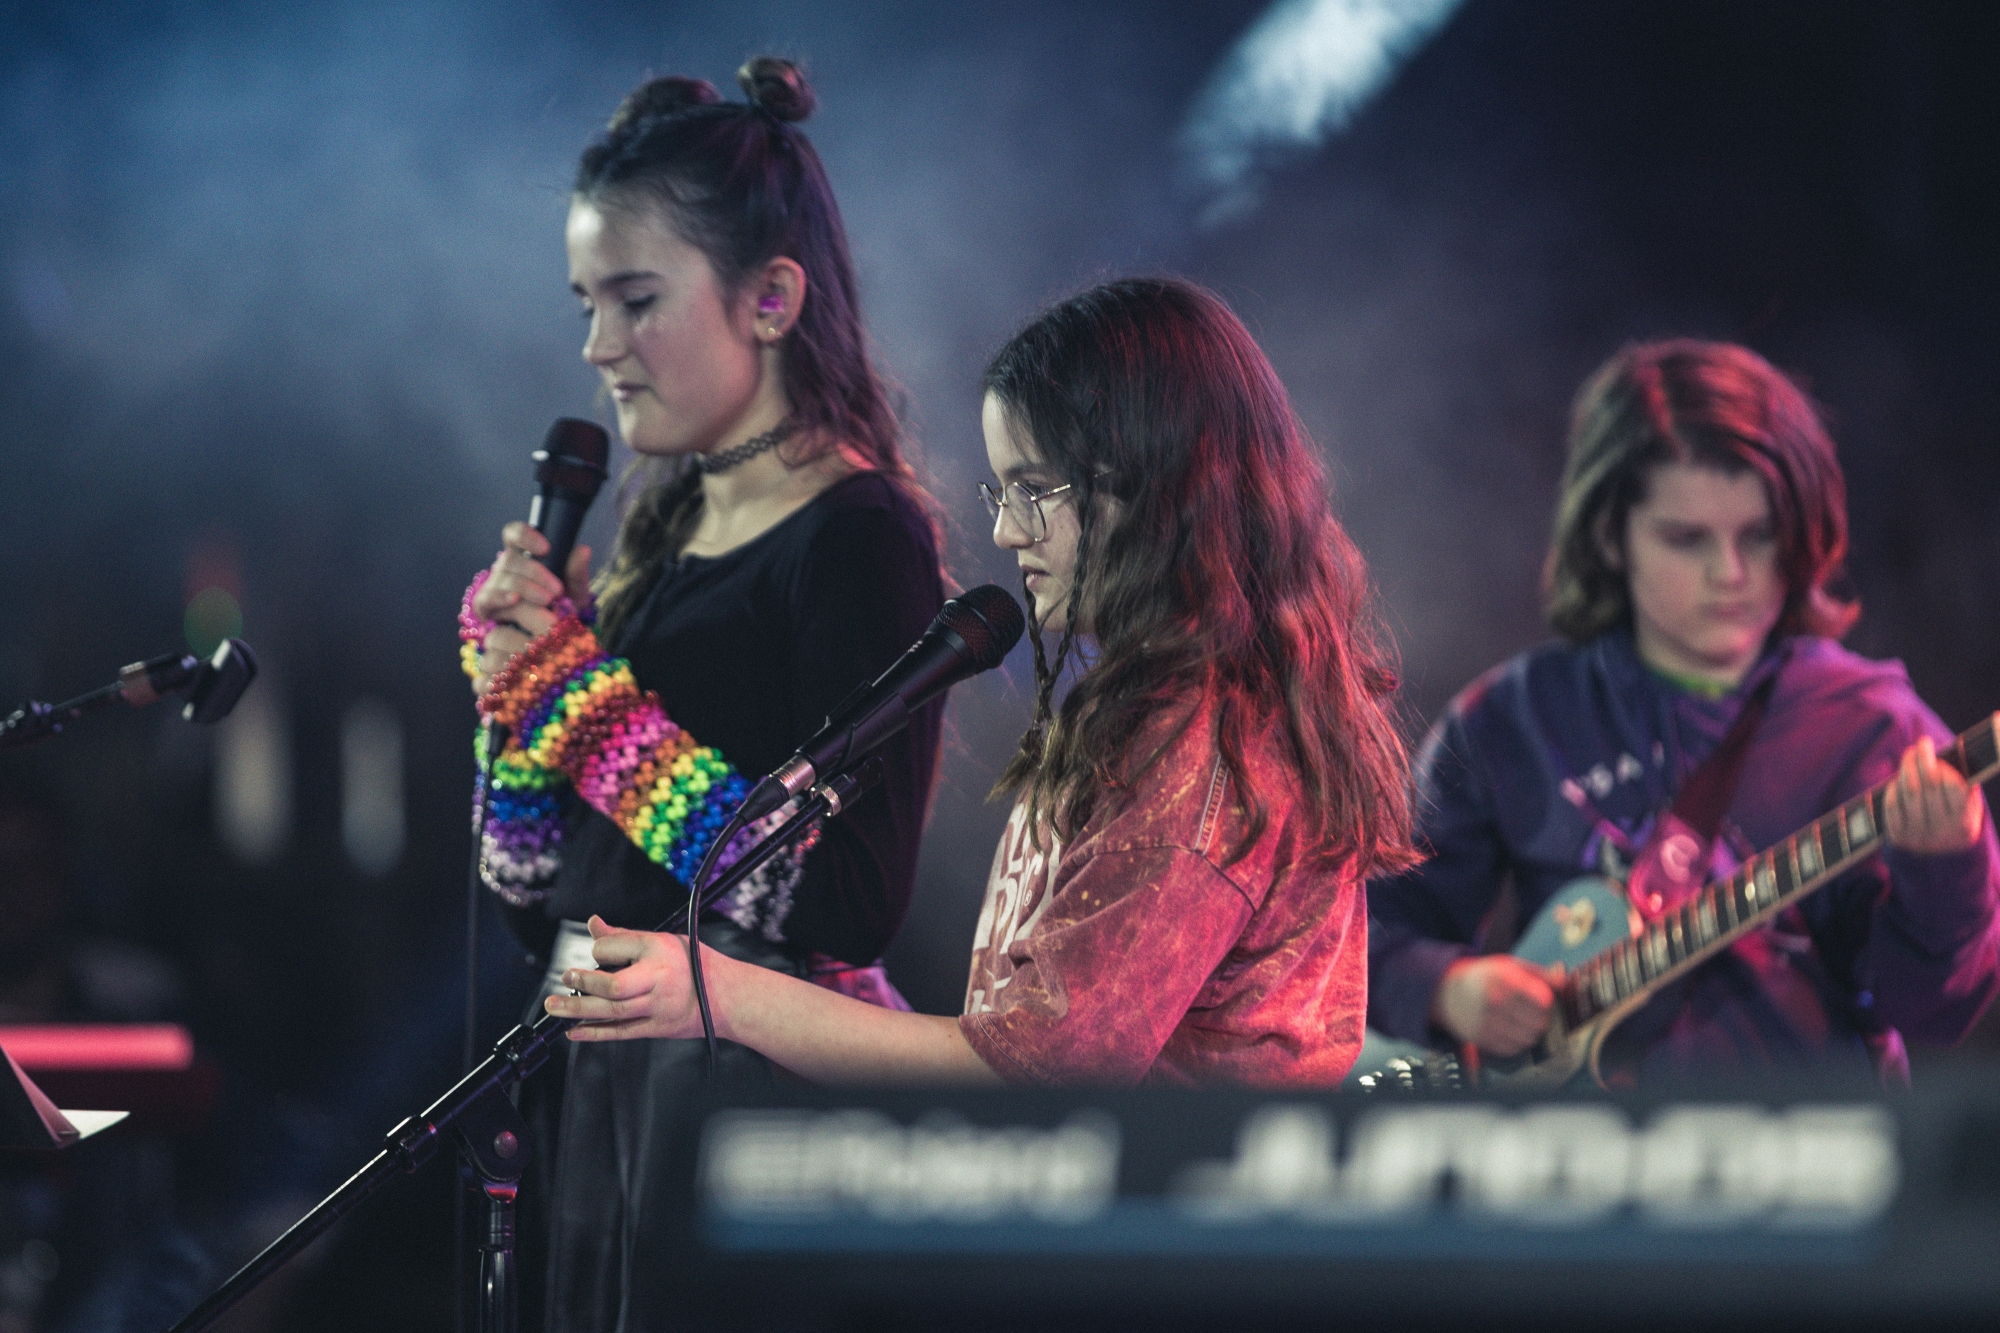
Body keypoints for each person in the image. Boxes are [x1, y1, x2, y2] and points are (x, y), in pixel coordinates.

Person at [546, 276, 1417, 1090]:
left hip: (1167, 1243)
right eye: (1001, 490)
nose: (1003, 530)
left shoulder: (1203, 743)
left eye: (1034, 490)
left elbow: (1042, 1070)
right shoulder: (1160, 713)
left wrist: (721, 996)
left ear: (1156, 487)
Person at [457, 57, 944, 1330]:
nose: (596, 348)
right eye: (584, 304)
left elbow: (845, 902)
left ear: (770, 298)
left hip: (739, 1099)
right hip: (591, 1064)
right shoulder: (656, 534)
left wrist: (581, 705)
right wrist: (520, 708)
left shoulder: (859, 537)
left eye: (634, 301)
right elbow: (532, 905)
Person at [1366, 338, 1999, 1084]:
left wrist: (1946, 869)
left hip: (1808, 1167)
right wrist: (1446, 987)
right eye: (1685, 538)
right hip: (1580, 1173)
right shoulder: (1511, 720)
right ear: (1609, 534)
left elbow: (1934, 1016)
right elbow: (1355, 937)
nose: (1729, 573)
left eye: (1758, 537)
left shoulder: (1875, 726)